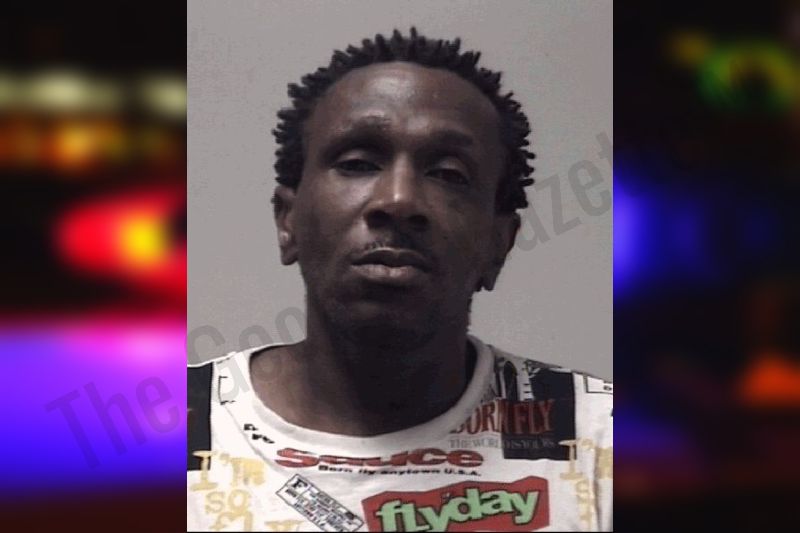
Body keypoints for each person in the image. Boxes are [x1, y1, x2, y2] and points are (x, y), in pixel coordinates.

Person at [188, 28, 612, 532]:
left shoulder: (603, 439)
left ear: (499, 244)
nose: (399, 200)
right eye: (357, 163)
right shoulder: (166, 436)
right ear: (288, 221)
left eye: (448, 173)